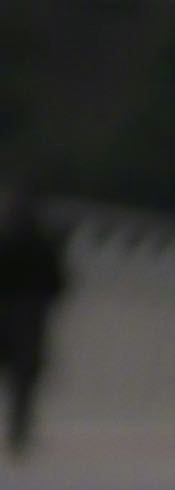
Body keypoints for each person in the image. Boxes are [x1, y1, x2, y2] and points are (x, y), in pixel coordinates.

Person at [0, 185, 67, 456]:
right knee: (23, 380)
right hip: (29, 315)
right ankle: (18, 431)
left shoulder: (5, 238)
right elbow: (58, 283)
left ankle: (19, 431)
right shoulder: (45, 242)